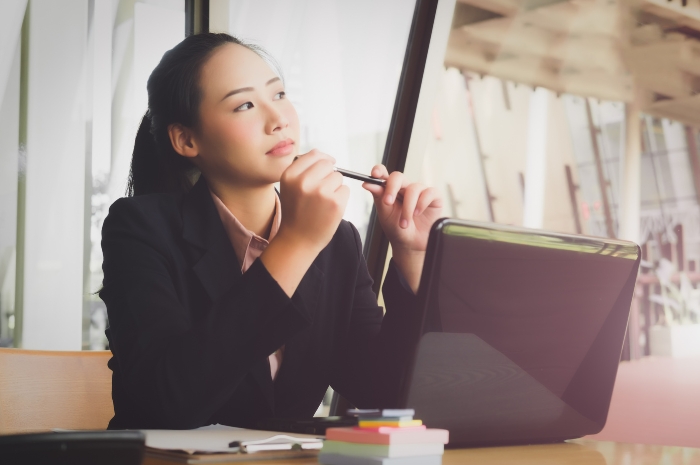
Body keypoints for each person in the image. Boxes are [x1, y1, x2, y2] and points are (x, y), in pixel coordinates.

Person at [100, 32, 442, 430]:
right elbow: (168, 403)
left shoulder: (337, 242)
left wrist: (414, 257)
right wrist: (296, 242)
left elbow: (387, 393)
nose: (278, 118)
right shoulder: (139, 228)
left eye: (278, 95)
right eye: (245, 104)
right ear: (186, 139)